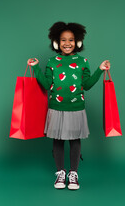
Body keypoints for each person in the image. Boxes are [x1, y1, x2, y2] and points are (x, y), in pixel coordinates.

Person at [27, 22, 110, 190]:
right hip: (56, 107)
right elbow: (46, 84)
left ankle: (73, 174)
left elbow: (86, 85)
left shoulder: (82, 61)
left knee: (74, 140)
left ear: (77, 42)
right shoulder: (51, 61)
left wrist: (100, 70)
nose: (67, 43)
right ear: (56, 42)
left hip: (76, 107)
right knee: (57, 140)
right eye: (63, 39)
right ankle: (60, 172)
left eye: (71, 40)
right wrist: (35, 68)